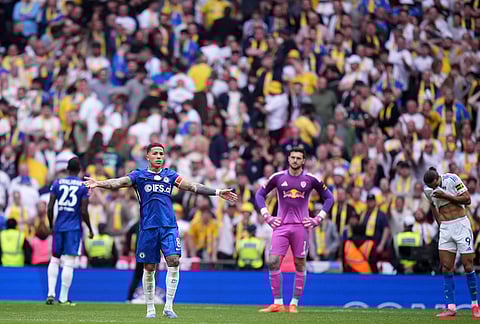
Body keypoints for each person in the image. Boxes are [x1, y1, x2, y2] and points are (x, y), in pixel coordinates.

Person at [83, 143, 238, 319]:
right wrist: (98, 183)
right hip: (148, 228)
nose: (159, 156)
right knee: (149, 267)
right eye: (155, 153)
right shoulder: (139, 175)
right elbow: (118, 182)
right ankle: (150, 308)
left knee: (174, 260)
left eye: (161, 154)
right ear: (147, 156)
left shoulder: (170, 175)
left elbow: (192, 186)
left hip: (169, 226)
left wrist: (217, 192)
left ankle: (169, 307)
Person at [255, 146, 334, 313]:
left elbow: (329, 198)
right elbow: (259, 195)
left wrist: (318, 218)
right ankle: (277, 303)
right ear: (288, 159)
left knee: (300, 263)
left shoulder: (311, 179)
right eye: (293, 157)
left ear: (303, 161)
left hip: (301, 227)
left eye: (299, 158)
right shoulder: (278, 177)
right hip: (281, 226)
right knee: (274, 262)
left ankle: (294, 303)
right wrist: (267, 216)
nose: (295, 161)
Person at [423, 167, 480, 318]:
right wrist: (440, 224)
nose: (434, 188)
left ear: (438, 178)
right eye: (431, 187)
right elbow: (433, 207)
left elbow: (467, 199)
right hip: (446, 228)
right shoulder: (428, 191)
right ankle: (451, 307)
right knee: (446, 267)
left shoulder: (452, 179)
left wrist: (445, 195)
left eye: (435, 185)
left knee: (468, 265)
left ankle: (475, 305)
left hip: (461, 225)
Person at [46, 157, 94, 306]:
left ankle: (50, 293)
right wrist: (90, 229)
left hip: (59, 226)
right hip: (73, 228)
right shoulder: (82, 186)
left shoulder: (57, 183)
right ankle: (63, 298)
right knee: (69, 262)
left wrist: (50, 225)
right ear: (79, 169)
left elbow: (49, 207)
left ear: (67, 168)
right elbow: (84, 211)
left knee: (54, 259)